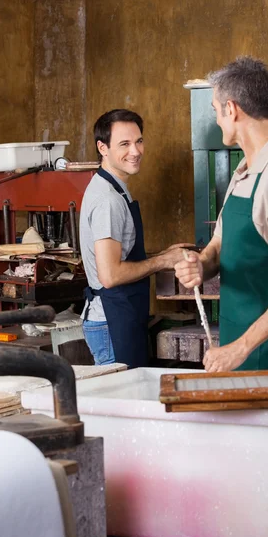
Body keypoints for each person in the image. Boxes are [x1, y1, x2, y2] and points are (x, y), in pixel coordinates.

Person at [175, 57, 268, 373]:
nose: (216, 120)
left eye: (216, 110)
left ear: (232, 109)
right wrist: (201, 266)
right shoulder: (246, 169)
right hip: (242, 355)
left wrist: (240, 348)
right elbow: (219, 244)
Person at [80, 109, 189, 367]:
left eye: (139, 141)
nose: (136, 151)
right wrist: (162, 263)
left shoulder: (114, 188)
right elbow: (111, 275)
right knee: (117, 404)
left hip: (119, 315)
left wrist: (163, 255)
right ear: (102, 148)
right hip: (111, 322)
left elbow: (120, 257)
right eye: (124, 144)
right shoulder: (108, 200)